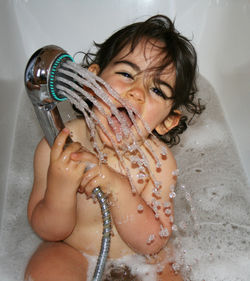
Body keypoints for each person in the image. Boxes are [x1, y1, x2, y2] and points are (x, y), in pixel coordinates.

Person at [25, 14, 204, 281]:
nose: (136, 92)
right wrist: (61, 184)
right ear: (91, 83)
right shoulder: (58, 145)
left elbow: (153, 242)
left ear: (167, 121)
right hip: (71, 251)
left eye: (157, 90)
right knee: (45, 269)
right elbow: (48, 231)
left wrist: (118, 187)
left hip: (141, 259)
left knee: (171, 270)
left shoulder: (160, 163)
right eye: (126, 73)